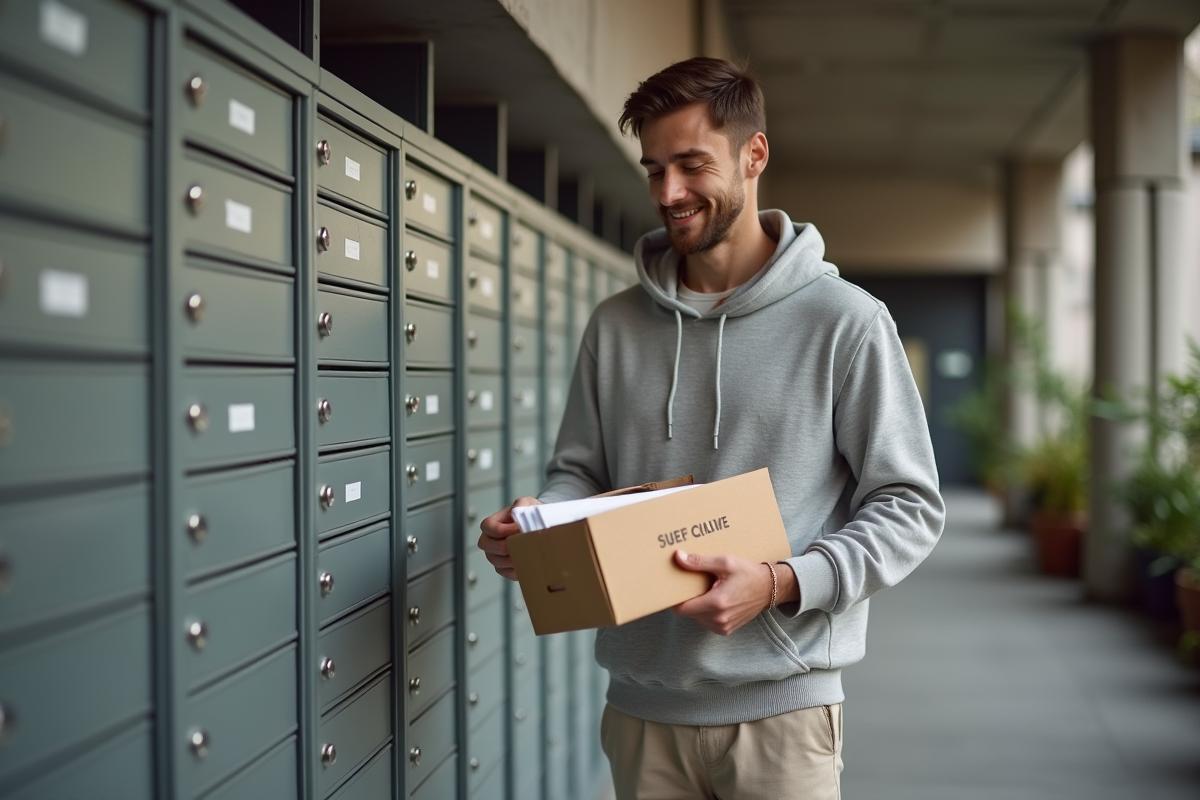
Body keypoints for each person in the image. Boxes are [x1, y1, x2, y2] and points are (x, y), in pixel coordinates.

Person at [478, 56, 944, 800]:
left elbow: (910, 506)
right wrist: (540, 524)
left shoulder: (846, 323)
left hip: (781, 711)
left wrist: (781, 582)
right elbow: (583, 470)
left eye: (692, 165)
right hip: (641, 710)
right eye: (655, 169)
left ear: (753, 155)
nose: (669, 193)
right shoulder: (616, 325)